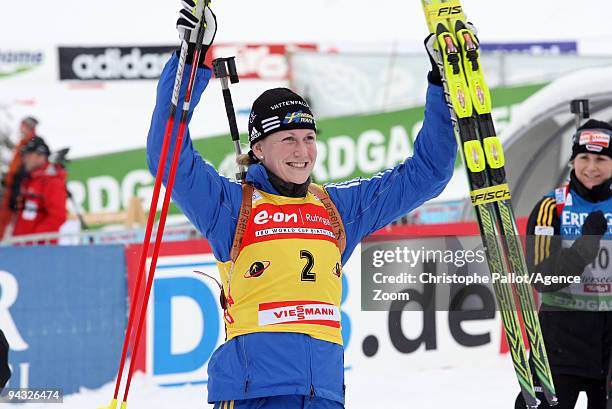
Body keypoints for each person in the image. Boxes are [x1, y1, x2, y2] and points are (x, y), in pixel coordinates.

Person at [146, 2, 457, 408]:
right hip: (254, 393)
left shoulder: (337, 209)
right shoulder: (231, 207)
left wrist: (439, 82)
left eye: (309, 138)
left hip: (324, 392)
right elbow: (167, 153)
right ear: (257, 148)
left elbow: (428, 173)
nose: (302, 151)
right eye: (288, 139)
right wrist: (191, 60)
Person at [516, 119, 612, 409]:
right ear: (573, 160)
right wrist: (583, 249)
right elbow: (541, 278)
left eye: (601, 159)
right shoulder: (552, 206)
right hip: (560, 343)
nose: (591, 167)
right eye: (584, 157)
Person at [11, 136, 67, 241]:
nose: (24, 159)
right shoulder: (29, 180)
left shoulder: (52, 181)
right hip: (21, 248)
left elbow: (58, 217)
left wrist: (33, 241)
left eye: (28, 155)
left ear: (40, 156)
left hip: (39, 251)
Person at [0, 116, 40, 240]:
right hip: (12, 185)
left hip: (21, 187)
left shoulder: (33, 144)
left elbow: (27, 168)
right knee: (6, 217)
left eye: (23, 126)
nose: (21, 129)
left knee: (16, 219)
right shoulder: (23, 143)